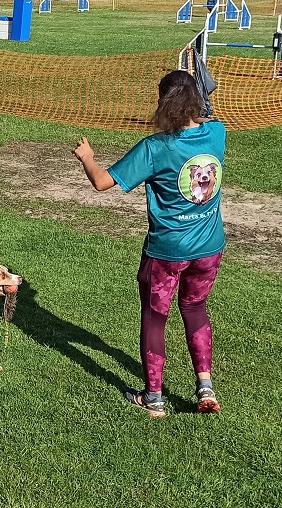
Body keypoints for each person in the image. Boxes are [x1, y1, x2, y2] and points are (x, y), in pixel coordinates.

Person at [72, 70, 226, 419]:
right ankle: (205, 387)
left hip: (167, 253)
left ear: (162, 103)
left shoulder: (155, 149)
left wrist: (86, 156)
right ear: (197, 101)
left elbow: (101, 182)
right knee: (196, 308)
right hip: (209, 247)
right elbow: (209, 115)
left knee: (155, 318)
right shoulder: (217, 134)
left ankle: (154, 397)